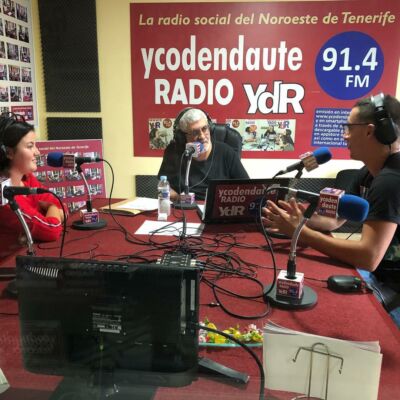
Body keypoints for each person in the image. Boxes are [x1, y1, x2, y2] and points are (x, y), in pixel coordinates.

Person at [263, 94, 400, 294]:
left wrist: (301, 233)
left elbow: (369, 257)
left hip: (391, 286)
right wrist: (300, 218)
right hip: (379, 274)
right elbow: (334, 220)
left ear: (369, 131)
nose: (345, 136)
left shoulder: (391, 181)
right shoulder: (368, 173)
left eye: (349, 128)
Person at [0, 113, 66, 260]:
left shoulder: (27, 179)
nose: (37, 152)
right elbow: (52, 230)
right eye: (30, 146)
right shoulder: (5, 200)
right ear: (9, 153)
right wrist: (52, 209)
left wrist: (52, 209)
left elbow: (61, 206)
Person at [158, 108, 249, 201]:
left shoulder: (226, 152)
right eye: (195, 132)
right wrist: (178, 198)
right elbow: (163, 185)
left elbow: (247, 188)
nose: (202, 136)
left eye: (204, 128)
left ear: (210, 128)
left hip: (217, 206)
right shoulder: (173, 151)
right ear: (183, 137)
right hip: (183, 206)